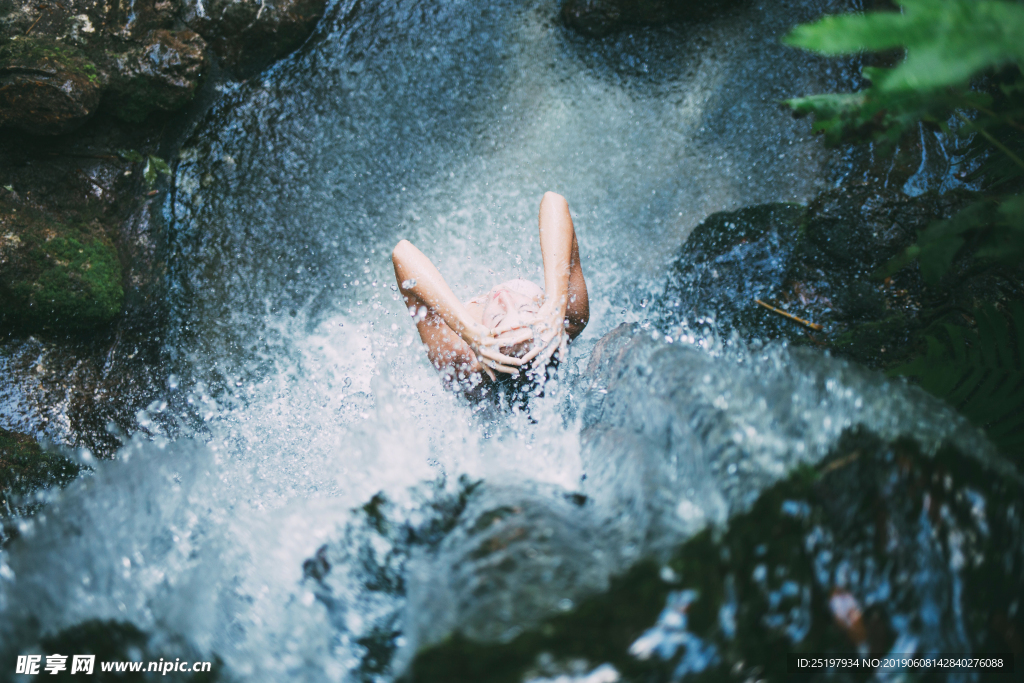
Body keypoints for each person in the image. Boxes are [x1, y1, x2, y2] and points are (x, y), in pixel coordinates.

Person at [392, 191, 589, 392]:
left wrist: (467, 330)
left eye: (497, 318)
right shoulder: (567, 321)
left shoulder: (461, 359)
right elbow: (553, 201)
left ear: (481, 346)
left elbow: (402, 253)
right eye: (525, 309)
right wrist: (556, 302)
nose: (504, 296)